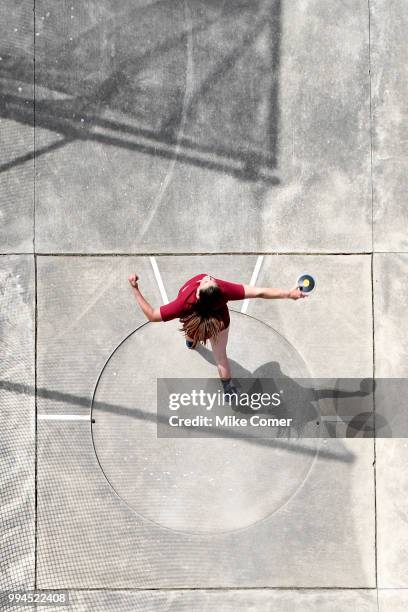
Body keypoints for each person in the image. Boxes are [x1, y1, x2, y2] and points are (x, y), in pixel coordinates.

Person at [128, 272, 307, 394]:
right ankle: (228, 389)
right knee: (221, 358)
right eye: (209, 281)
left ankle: (191, 342)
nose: (207, 277)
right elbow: (260, 292)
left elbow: (152, 315)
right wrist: (289, 294)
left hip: (194, 324)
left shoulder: (184, 303)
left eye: (208, 281)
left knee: (191, 331)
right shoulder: (223, 290)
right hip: (220, 324)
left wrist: (135, 288)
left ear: (198, 294)